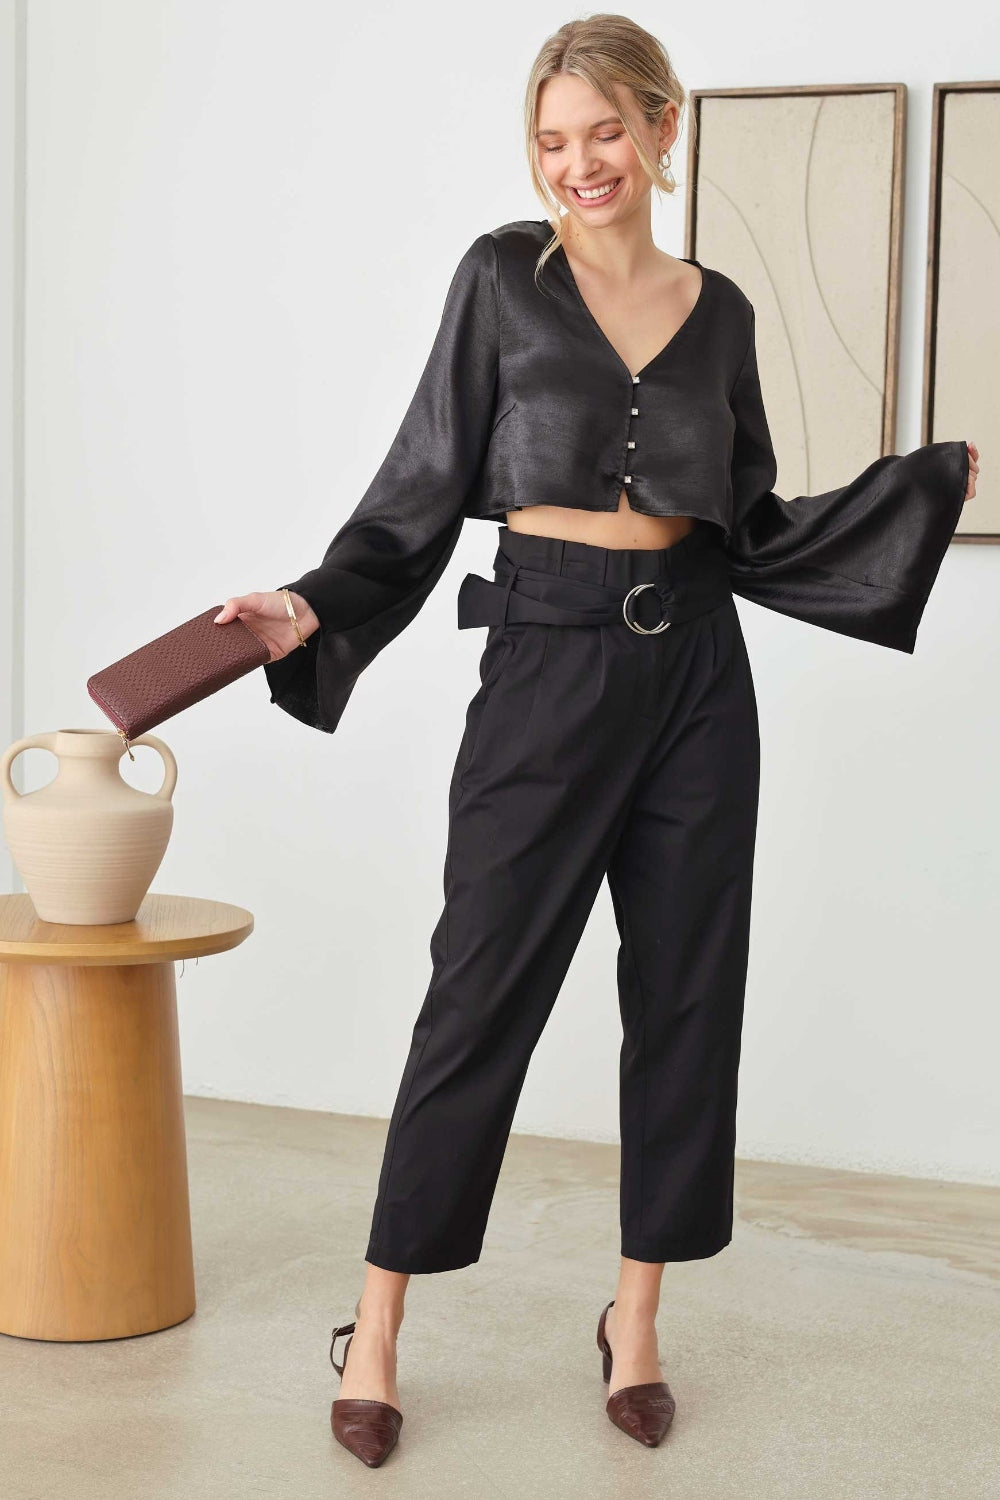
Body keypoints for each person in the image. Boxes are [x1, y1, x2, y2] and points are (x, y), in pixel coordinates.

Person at [213, 15, 979, 1469]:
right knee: (477, 996)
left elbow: (749, 528)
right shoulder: (504, 278)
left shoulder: (726, 312)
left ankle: (636, 1317)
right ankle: (373, 1329)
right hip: (545, 657)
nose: (581, 164)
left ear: (662, 125)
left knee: (687, 996)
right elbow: (422, 484)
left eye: (606, 132)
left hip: (697, 669)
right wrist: (313, 605)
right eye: (554, 141)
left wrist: (918, 491)